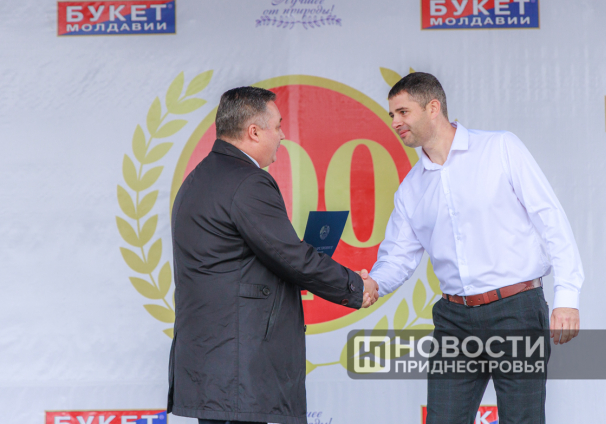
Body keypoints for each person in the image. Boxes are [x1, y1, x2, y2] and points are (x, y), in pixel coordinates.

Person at [364, 72, 584, 424]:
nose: (395, 122)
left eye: (403, 112)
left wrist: (567, 296)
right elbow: (398, 258)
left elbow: (550, 218)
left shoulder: (500, 148)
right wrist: (372, 284)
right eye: (392, 115)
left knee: (522, 420)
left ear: (432, 107)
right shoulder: (410, 189)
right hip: (454, 320)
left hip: (516, 310)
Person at [167, 86, 379, 424]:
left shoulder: (197, 178)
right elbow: (292, 257)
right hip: (238, 371)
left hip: (215, 367)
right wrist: (355, 287)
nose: (282, 135)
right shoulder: (248, 182)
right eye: (278, 126)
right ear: (254, 131)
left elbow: (248, 259)